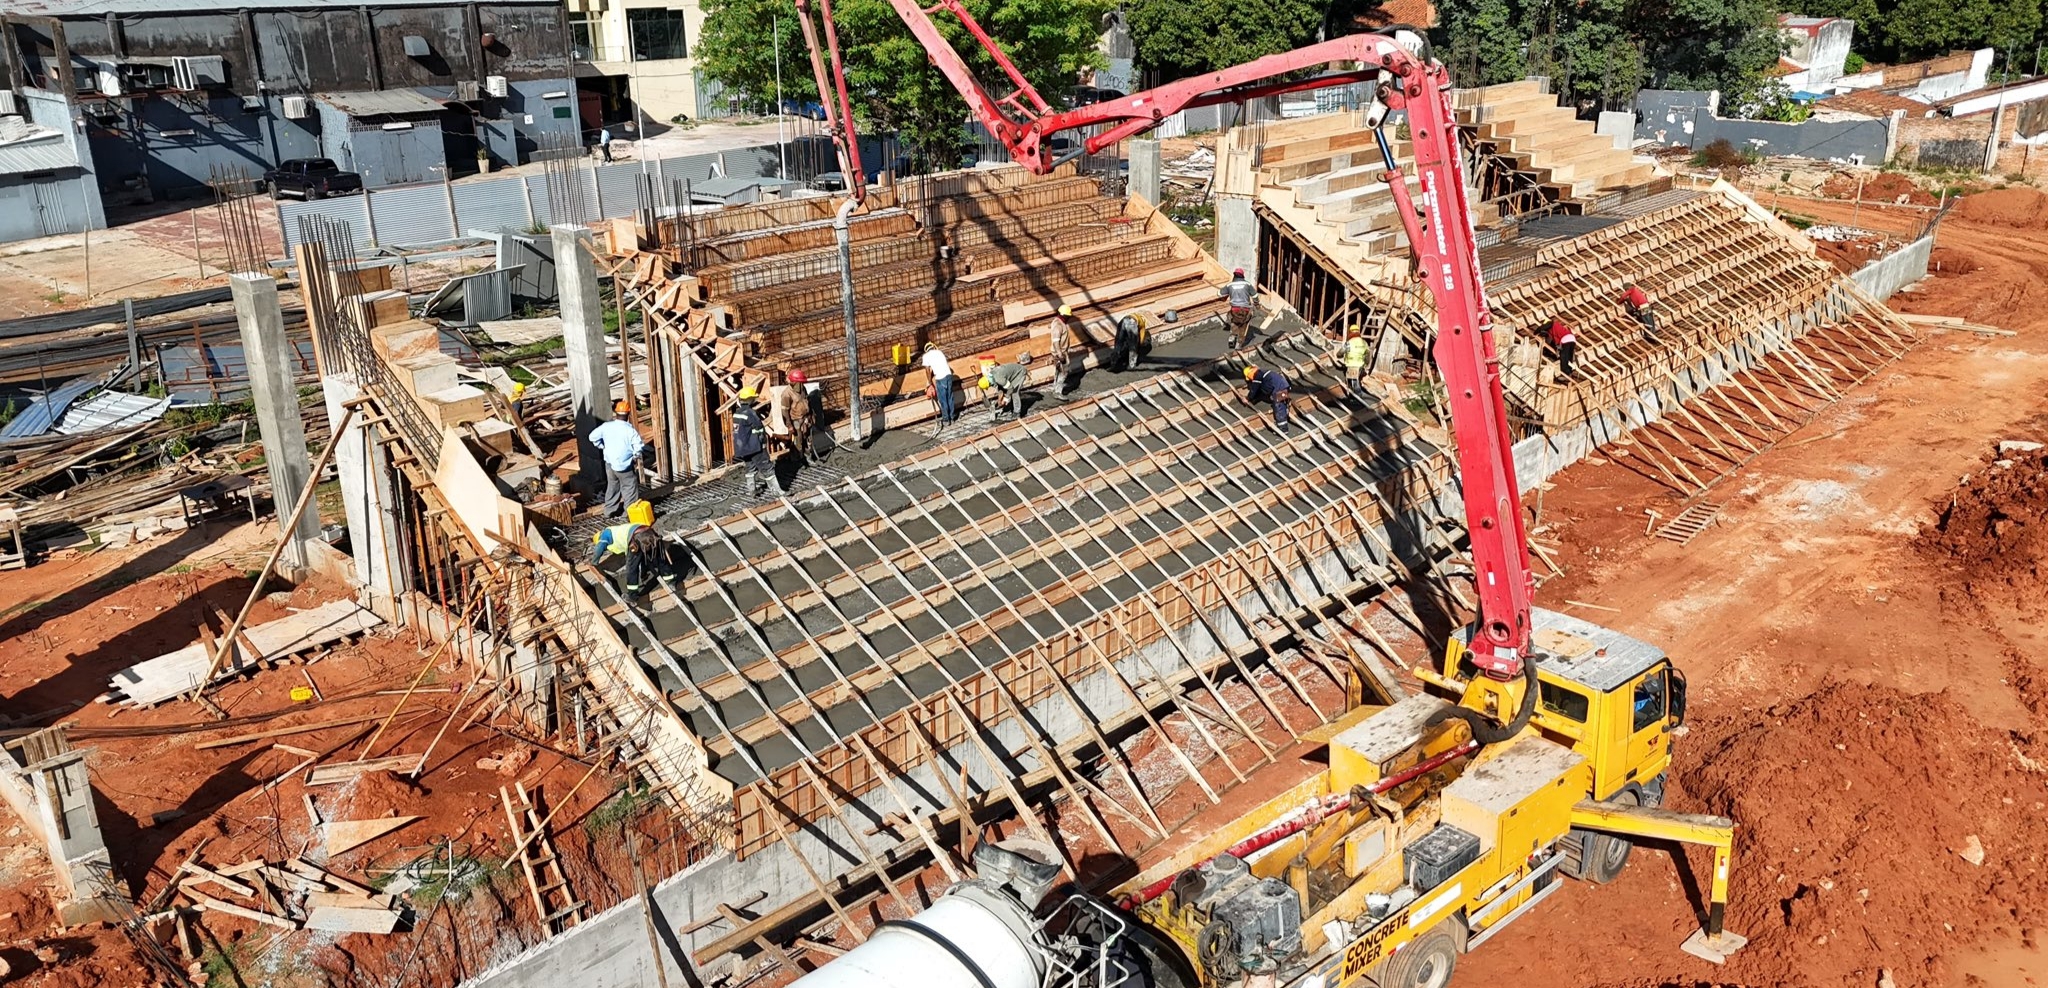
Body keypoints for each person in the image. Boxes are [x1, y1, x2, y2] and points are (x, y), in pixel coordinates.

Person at [589, 500, 670, 598]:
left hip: (637, 538)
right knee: (659, 558)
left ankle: (633, 595)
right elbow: (642, 558)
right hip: (649, 532)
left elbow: (600, 547)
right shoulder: (618, 529)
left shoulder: (605, 534)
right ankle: (671, 581)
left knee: (631, 567)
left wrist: (594, 562)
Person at [589, 400, 643, 517]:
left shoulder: (606, 427)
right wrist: (635, 456)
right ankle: (628, 514)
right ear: (628, 414)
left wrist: (601, 446)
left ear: (616, 413)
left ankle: (609, 511)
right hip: (624, 466)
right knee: (629, 488)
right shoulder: (630, 431)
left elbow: (592, 437)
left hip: (609, 464)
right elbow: (638, 447)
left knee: (613, 486)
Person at [733, 385, 776, 498]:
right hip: (754, 446)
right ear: (750, 399)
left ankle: (752, 491)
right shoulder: (750, 413)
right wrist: (763, 442)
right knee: (767, 468)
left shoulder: (737, 413)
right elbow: (759, 428)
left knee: (750, 468)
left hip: (742, 448)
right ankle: (777, 492)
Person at [1242, 364, 1292, 434]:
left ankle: (1283, 429)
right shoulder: (1262, 373)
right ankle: (1285, 406)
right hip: (1282, 386)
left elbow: (1254, 389)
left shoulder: (1257, 376)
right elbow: (1262, 390)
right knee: (1279, 403)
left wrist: (1248, 398)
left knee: (1278, 406)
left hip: (1280, 388)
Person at [987, 352, 1032, 421]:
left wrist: (1006, 398)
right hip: (1013, 374)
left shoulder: (999, 379)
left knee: (1014, 392)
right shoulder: (991, 376)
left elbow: (1010, 388)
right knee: (1006, 390)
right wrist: (999, 400)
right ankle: (1011, 405)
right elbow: (1000, 390)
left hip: (1019, 373)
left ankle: (1017, 413)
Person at [786, 370, 817, 465]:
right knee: (797, 441)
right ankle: (797, 461)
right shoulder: (787, 394)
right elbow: (784, 411)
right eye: (800, 382)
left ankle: (808, 457)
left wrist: (811, 415)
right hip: (796, 420)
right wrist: (789, 424)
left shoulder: (803, 389)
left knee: (807, 439)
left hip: (805, 419)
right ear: (794, 382)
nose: (801, 384)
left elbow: (807, 401)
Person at [922, 343, 959, 424]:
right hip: (948, 375)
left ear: (926, 350)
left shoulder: (926, 356)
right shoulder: (939, 352)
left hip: (940, 377)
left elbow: (927, 370)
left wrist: (930, 382)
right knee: (949, 397)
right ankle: (952, 417)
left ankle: (946, 419)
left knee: (943, 399)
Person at [1221, 267, 1257, 350]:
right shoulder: (1247, 285)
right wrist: (1257, 303)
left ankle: (1232, 337)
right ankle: (1239, 344)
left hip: (1234, 309)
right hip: (1245, 309)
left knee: (1235, 322)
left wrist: (1226, 294)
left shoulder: (1229, 285)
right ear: (1242, 276)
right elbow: (1255, 295)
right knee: (1243, 326)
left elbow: (1219, 294)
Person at [1047, 305, 1077, 394]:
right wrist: (1060, 354)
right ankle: (1058, 392)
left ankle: (1055, 387)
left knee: (1058, 370)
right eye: (1068, 316)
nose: (1069, 318)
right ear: (1064, 315)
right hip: (1061, 353)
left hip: (1060, 352)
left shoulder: (1058, 322)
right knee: (1064, 373)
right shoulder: (1058, 325)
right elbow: (1056, 341)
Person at [1341, 322, 1369, 394]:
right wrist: (1365, 364)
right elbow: (1367, 356)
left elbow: (1341, 352)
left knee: (1354, 382)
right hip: (1360, 365)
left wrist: (1339, 355)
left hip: (1351, 365)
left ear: (1350, 332)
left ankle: (1357, 399)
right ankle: (1353, 396)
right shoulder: (1364, 342)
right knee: (1355, 381)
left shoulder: (1349, 343)